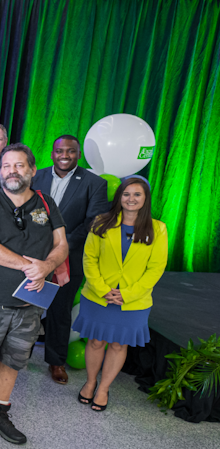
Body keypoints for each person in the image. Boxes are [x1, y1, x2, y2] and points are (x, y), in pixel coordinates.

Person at [0, 143, 68, 445]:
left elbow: (61, 244)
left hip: (31, 302)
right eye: (6, 166)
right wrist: (28, 266)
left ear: (32, 170)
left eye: (19, 165)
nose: (12, 171)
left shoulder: (46, 203)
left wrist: (47, 266)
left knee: (13, 359)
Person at [75, 176, 167, 412]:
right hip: (98, 296)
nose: (131, 199)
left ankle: (104, 388)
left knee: (118, 345)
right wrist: (103, 290)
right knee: (96, 341)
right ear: (119, 197)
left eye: (137, 194)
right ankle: (90, 381)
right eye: (126, 194)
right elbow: (89, 259)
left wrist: (127, 294)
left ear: (145, 198)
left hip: (134, 301)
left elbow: (155, 268)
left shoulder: (158, 229)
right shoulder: (101, 222)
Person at [33, 135, 110, 384]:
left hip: (70, 257)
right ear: (52, 152)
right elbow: (26, 208)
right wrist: (40, 241)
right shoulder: (37, 176)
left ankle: (56, 361)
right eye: (59, 151)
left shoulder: (94, 183)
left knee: (60, 310)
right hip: (32, 254)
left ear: (78, 154)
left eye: (71, 151)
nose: (64, 155)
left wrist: (61, 246)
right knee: (24, 304)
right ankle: (12, 354)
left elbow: (93, 221)